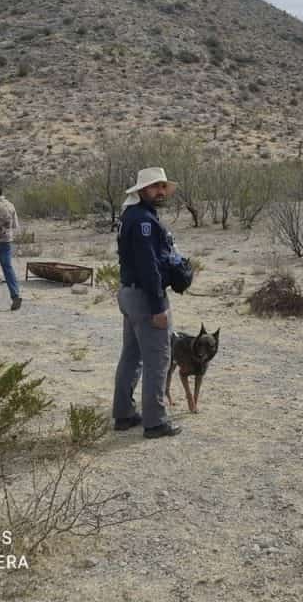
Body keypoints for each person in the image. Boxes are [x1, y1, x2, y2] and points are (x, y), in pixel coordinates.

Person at [113, 167, 182, 439]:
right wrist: (158, 308)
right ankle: (155, 422)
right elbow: (148, 266)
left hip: (129, 294)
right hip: (145, 295)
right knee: (157, 359)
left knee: (131, 356)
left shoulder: (132, 215)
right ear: (142, 190)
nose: (161, 192)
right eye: (155, 187)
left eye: (163, 186)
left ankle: (124, 414)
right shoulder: (143, 220)